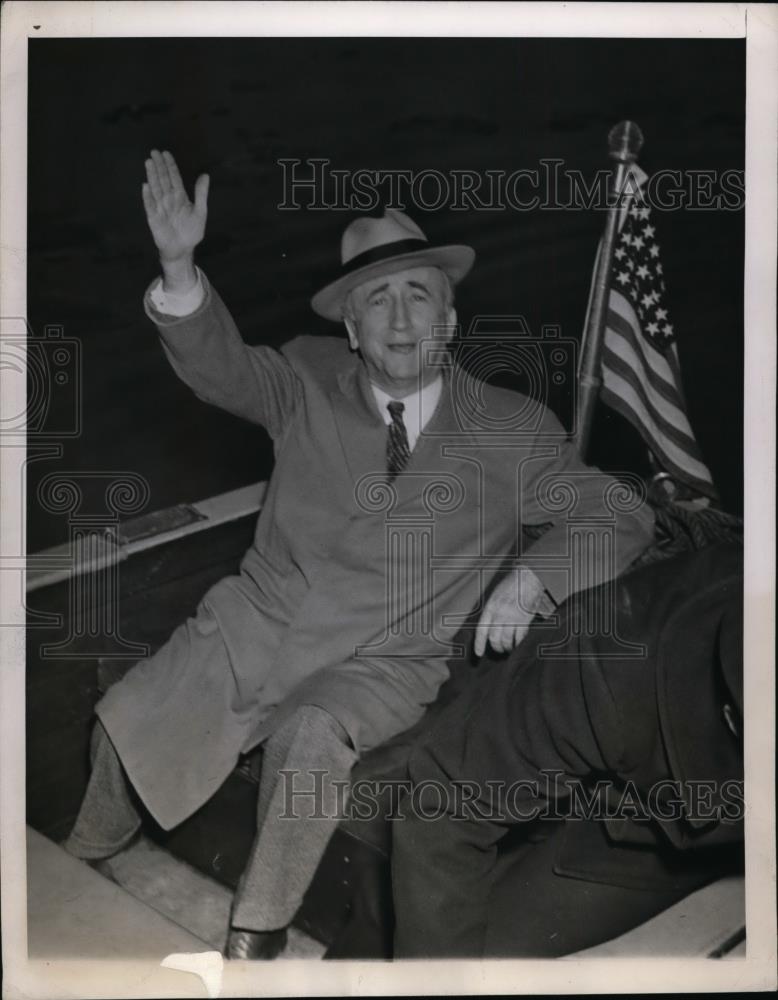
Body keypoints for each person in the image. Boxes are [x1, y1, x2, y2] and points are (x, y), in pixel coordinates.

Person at [63, 149, 654, 959]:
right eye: (379, 300)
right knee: (127, 719)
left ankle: (254, 942)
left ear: (451, 318)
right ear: (350, 327)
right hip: (256, 621)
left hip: (386, 657)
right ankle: (76, 870)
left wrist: (531, 579)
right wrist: (178, 266)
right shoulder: (304, 377)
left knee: (308, 737)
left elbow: (616, 509)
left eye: (421, 296)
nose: (403, 320)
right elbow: (219, 368)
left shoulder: (512, 429)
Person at [391, 541, 744, 958]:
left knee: (502, 961)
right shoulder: (610, 657)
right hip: (616, 717)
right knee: (423, 940)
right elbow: (444, 805)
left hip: (671, 836)